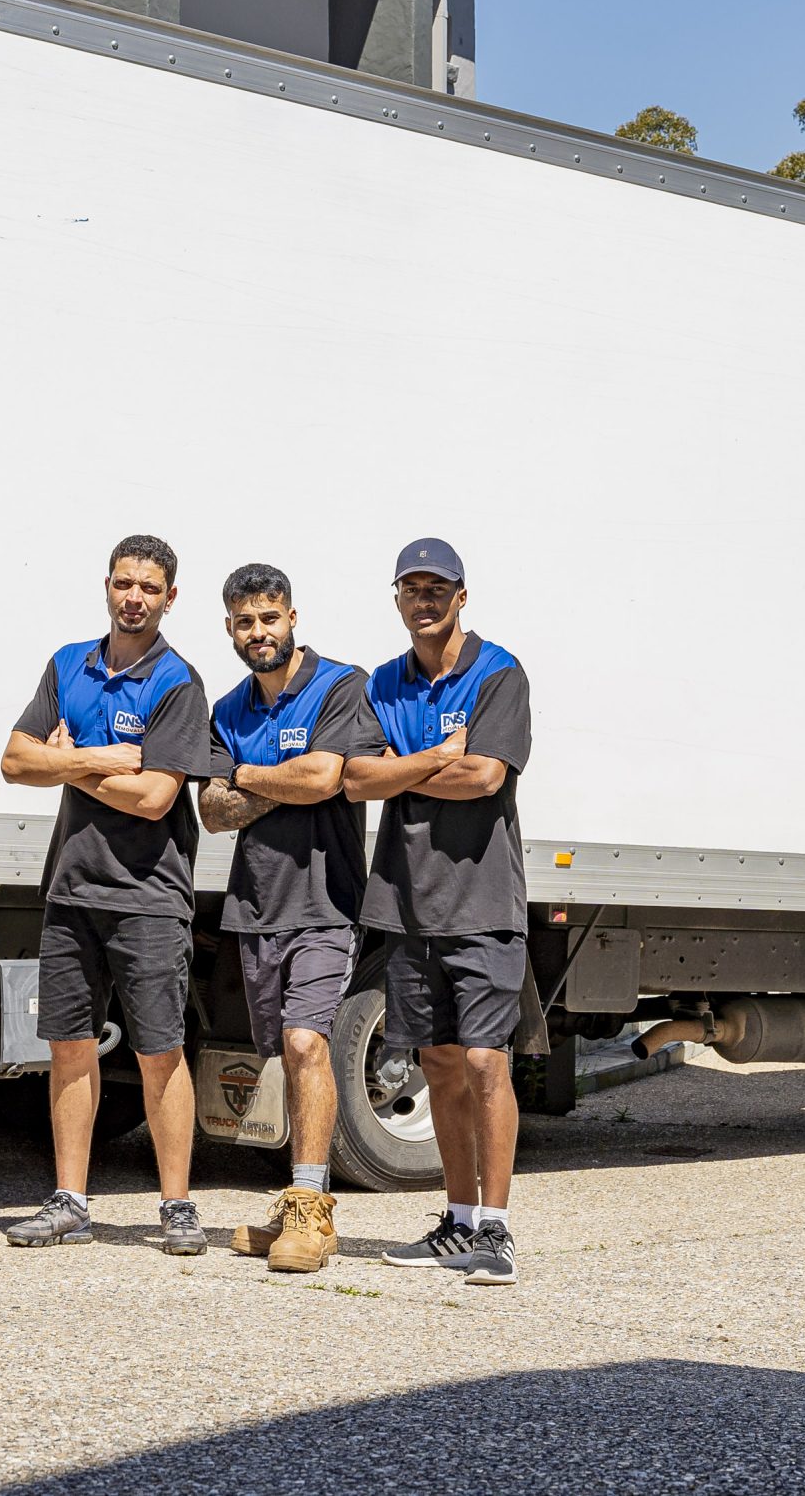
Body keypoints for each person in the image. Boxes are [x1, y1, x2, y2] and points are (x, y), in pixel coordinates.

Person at [0, 534, 213, 1254]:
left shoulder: (177, 681)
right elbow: (15, 759)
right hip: (71, 889)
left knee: (159, 1052)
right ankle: (70, 1202)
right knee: (69, 1048)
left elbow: (154, 797)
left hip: (149, 896)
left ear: (170, 597)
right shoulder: (69, 664)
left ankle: (177, 1207)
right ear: (107, 585)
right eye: (124, 583)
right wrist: (97, 760)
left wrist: (63, 761)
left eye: (149, 588)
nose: (134, 598)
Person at [344, 538, 533, 1286]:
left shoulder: (499, 672)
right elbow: (357, 780)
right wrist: (431, 759)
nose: (423, 601)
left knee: (486, 1061)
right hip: (408, 905)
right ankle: (457, 1222)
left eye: (437, 588)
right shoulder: (384, 681)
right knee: (441, 1064)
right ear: (397, 598)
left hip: (482, 904)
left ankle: (497, 1228)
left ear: (462, 596)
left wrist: (400, 768)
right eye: (411, 588)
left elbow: (484, 776)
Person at [197, 564, 384, 1273]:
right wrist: (288, 776)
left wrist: (247, 773)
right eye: (245, 622)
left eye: (269, 618)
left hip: (326, 903)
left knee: (308, 1042)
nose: (259, 632)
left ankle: (310, 1206)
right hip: (256, 905)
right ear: (229, 627)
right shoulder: (229, 707)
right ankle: (297, 1205)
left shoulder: (340, 684)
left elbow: (326, 776)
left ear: (292, 617)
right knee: (280, 1049)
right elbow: (212, 812)